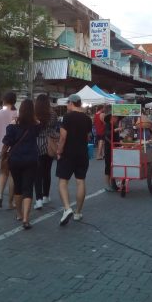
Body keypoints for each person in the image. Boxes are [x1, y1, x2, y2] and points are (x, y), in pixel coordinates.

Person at [2, 99, 40, 230]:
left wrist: (2, 156)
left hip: (15, 159)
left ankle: (18, 214)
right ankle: (26, 218)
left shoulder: (12, 125)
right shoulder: (35, 125)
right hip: (31, 159)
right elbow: (38, 129)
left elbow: (7, 142)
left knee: (18, 188)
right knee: (28, 188)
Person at [56, 94, 92, 225]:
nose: (67, 105)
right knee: (80, 181)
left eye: (67, 103)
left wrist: (59, 151)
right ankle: (78, 212)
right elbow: (88, 137)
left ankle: (67, 208)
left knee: (62, 181)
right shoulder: (88, 119)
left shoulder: (67, 117)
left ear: (72, 103)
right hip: (82, 153)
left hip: (68, 153)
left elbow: (63, 137)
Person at [33, 94, 58, 210]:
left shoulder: (34, 114)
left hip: (36, 145)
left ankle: (38, 200)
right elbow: (54, 127)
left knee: (37, 174)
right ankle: (46, 196)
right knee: (47, 172)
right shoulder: (52, 113)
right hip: (49, 145)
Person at [0, 92, 18, 209]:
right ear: (14, 101)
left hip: (1, 149)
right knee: (13, 176)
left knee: (3, 173)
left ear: (4, 100)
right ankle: (11, 202)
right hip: (14, 149)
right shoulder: (17, 114)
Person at [102, 113, 123, 192]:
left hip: (115, 147)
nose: (117, 119)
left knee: (114, 166)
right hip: (109, 148)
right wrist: (115, 130)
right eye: (116, 117)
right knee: (108, 165)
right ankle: (107, 184)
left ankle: (113, 183)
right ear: (112, 118)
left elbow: (117, 137)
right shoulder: (108, 125)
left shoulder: (115, 125)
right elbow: (107, 133)